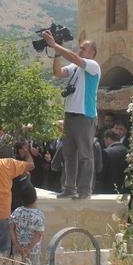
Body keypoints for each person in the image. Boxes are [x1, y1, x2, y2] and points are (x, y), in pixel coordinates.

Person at [44, 31, 101, 200]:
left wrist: (55, 45)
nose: (80, 50)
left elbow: (74, 58)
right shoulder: (76, 68)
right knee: (69, 154)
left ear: (92, 53)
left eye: (84, 48)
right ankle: (69, 187)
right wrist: (56, 54)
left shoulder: (93, 65)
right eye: (80, 48)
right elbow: (58, 72)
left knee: (85, 155)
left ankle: (84, 190)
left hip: (85, 115)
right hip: (70, 115)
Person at [9, 185, 45, 265]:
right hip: (33, 251)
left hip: (18, 249)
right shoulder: (39, 215)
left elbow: (11, 228)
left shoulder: (17, 211)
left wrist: (16, 244)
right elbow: (38, 234)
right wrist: (29, 248)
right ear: (35, 198)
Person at [100, 129, 128, 194]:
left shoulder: (106, 152)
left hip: (108, 188)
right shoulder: (127, 150)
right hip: (124, 188)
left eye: (105, 140)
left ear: (108, 138)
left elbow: (102, 172)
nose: (104, 142)